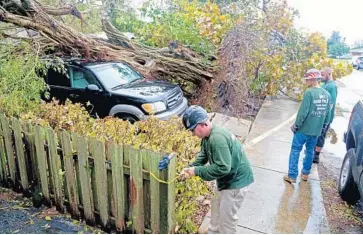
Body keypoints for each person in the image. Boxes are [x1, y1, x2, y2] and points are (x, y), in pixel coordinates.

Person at [181, 105, 254, 234]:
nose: (192, 134)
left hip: (236, 183)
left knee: (226, 221)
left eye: (193, 130)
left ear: (202, 124)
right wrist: (191, 167)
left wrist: (197, 171)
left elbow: (223, 167)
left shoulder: (217, 138)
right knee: (215, 211)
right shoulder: (207, 137)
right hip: (225, 180)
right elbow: (204, 155)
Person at [284, 69, 331, 183]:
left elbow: (303, 112)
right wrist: (323, 126)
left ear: (313, 79)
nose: (306, 82)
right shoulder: (327, 94)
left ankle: (292, 175)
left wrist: (296, 125)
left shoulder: (309, 93)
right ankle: (305, 174)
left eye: (307, 80)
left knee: (295, 150)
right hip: (316, 131)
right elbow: (328, 113)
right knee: (310, 151)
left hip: (303, 129)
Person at [313, 67, 337, 163]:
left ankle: (316, 156)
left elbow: (331, 103)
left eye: (323, 75)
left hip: (325, 117)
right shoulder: (324, 84)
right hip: (319, 115)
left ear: (329, 74)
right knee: (316, 134)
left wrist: (325, 116)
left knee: (321, 135)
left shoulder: (332, 86)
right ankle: (313, 151)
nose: (321, 77)